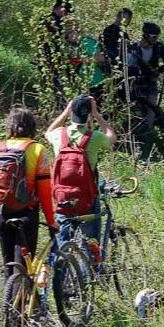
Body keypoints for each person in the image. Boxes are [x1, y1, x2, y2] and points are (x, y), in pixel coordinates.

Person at [0, 106, 57, 279]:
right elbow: (45, 192)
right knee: (23, 270)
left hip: (1, 214)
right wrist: (51, 222)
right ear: (32, 126)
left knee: (9, 268)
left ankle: (7, 304)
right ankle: (21, 305)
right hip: (26, 215)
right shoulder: (38, 150)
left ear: (10, 126)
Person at [45, 94, 116, 249]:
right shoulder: (95, 137)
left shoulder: (58, 135)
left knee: (60, 246)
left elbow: (47, 132)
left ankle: (61, 269)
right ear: (88, 114)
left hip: (62, 198)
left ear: (72, 112)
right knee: (90, 246)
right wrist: (97, 115)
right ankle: (89, 269)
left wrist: (65, 112)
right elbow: (112, 138)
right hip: (87, 199)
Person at [126, 22, 164, 129]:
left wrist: (157, 70)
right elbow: (127, 66)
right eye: (154, 36)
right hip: (135, 83)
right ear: (146, 35)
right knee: (136, 110)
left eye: (157, 36)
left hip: (151, 81)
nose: (156, 39)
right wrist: (136, 72)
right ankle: (135, 132)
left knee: (151, 107)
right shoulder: (133, 47)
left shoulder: (158, 47)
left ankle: (149, 133)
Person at [38, 0, 74, 107]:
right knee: (57, 93)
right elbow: (65, 40)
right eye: (66, 12)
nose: (66, 15)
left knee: (50, 91)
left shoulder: (45, 20)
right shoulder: (52, 22)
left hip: (47, 60)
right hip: (53, 61)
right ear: (62, 9)